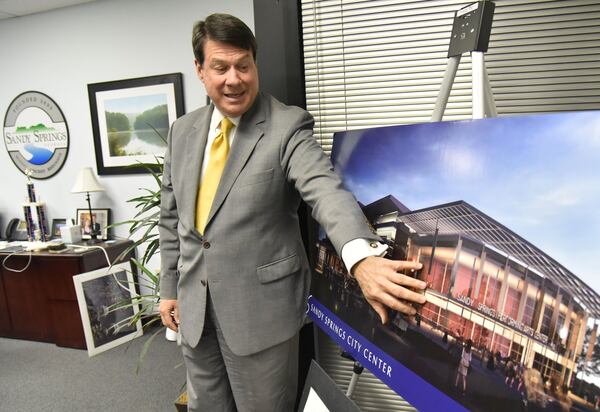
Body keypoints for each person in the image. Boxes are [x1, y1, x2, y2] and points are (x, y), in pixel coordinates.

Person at [158, 13, 427, 412]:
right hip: (195, 313)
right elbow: (172, 217)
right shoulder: (183, 131)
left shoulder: (287, 126)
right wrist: (168, 288)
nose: (234, 79)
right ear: (200, 70)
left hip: (261, 317)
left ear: (255, 64)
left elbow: (325, 190)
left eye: (243, 65)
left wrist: (361, 258)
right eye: (220, 67)